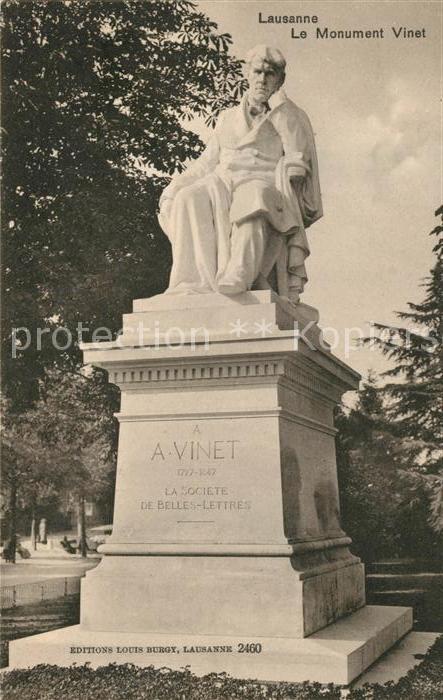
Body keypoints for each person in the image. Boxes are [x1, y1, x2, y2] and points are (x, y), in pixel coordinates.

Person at [158, 45, 322, 304]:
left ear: (280, 80)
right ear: (247, 74)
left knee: (253, 196)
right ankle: (191, 282)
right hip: (223, 182)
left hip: (266, 185)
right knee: (188, 197)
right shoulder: (228, 117)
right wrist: (175, 186)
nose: (262, 79)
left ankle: (240, 273)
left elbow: (298, 158)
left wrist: (281, 113)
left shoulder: (289, 115)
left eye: (270, 74)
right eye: (257, 71)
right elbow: (206, 162)